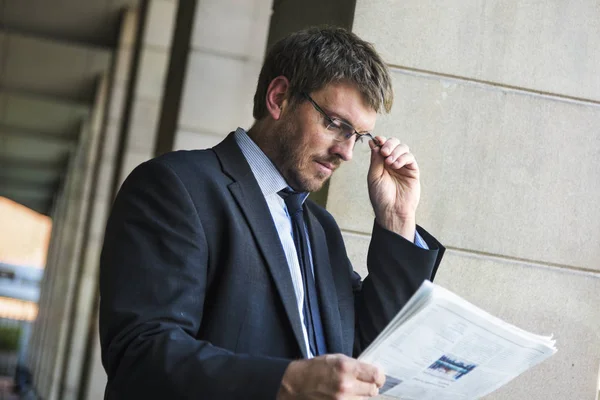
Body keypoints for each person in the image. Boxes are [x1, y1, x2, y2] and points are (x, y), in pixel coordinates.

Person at [99, 26, 444, 399]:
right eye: (335, 124)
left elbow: (363, 352)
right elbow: (140, 356)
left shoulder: (321, 230)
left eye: (357, 136)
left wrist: (396, 219)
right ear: (279, 98)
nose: (346, 152)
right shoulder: (177, 187)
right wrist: (287, 382)